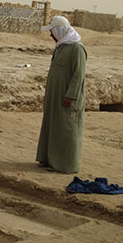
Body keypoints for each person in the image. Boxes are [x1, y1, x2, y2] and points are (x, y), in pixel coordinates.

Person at [36, 16, 87, 174]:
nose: (51, 35)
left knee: (67, 129)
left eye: (52, 32)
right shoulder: (61, 46)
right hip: (55, 96)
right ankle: (49, 159)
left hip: (67, 97)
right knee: (53, 126)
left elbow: (79, 75)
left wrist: (70, 96)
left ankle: (65, 164)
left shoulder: (77, 48)